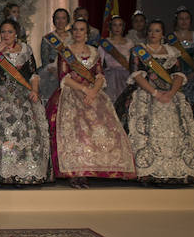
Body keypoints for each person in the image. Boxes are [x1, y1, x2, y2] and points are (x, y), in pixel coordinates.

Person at [117, 20, 194, 184]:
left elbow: (178, 76)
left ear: (162, 33)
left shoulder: (172, 52)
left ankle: (183, 168)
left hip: (170, 95)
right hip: (146, 95)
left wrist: (170, 93)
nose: (153, 34)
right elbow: (137, 75)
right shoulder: (138, 51)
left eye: (157, 31)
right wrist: (155, 93)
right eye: (151, 31)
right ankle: (145, 169)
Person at [46, 19, 135, 188]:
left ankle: (94, 168)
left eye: (82, 30)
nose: (78, 33)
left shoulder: (94, 52)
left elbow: (100, 75)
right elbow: (63, 77)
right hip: (71, 93)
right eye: (76, 30)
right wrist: (84, 90)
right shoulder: (65, 52)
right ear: (72, 32)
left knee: (103, 126)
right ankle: (76, 172)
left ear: (87, 33)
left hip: (93, 94)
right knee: (76, 128)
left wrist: (94, 90)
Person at [0, 19, 50, 185]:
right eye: (3, 32)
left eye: (9, 32)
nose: (6, 35)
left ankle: (22, 171)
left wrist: (35, 90)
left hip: (21, 96)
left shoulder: (25, 50)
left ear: (16, 33)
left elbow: (33, 73)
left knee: (23, 134)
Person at [167, 6, 194, 107]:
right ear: (176, 21)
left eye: (187, 18)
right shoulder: (169, 38)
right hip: (175, 79)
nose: (184, 21)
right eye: (181, 19)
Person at [98, 15, 134, 102]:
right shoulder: (105, 43)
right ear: (110, 27)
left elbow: (133, 62)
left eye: (120, 25)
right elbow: (100, 63)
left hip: (126, 76)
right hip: (110, 77)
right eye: (115, 25)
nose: (117, 28)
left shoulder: (130, 43)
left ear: (123, 27)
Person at [39, 8, 72, 102]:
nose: (60, 21)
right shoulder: (47, 38)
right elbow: (45, 61)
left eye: (63, 18)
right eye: (58, 18)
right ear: (54, 20)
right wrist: (58, 74)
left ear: (67, 20)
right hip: (52, 75)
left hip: (71, 74)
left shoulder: (73, 37)